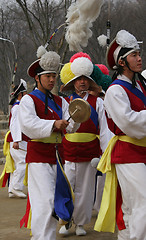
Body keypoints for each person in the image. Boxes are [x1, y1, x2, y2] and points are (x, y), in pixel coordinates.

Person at [18, 46, 80, 240]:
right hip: (38, 156)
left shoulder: (60, 101)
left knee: (54, 202)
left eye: (54, 76)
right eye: (48, 76)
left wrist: (77, 116)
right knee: (44, 203)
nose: (52, 80)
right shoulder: (28, 100)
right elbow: (28, 125)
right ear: (37, 78)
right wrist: (54, 124)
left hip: (57, 156)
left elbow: (70, 126)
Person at [94, 30, 146, 240]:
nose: (140, 58)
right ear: (122, 62)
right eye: (134, 55)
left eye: (139, 53)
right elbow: (129, 123)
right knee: (142, 202)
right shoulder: (116, 90)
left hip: (140, 151)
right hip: (127, 153)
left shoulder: (141, 84)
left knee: (133, 206)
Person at [59, 52, 113, 236]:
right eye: (78, 79)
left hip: (90, 152)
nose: (82, 82)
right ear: (73, 82)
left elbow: (104, 129)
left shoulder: (98, 102)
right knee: (68, 187)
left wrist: (104, 153)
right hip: (68, 151)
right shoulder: (66, 102)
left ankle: (81, 223)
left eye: (85, 79)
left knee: (86, 189)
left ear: (90, 81)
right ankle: (65, 221)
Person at [7, 79, 27, 198]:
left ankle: (12, 188)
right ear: (21, 94)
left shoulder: (18, 106)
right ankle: (16, 187)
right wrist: (16, 140)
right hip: (17, 140)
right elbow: (14, 124)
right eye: (25, 93)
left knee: (18, 163)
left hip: (17, 139)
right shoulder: (18, 107)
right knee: (22, 163)